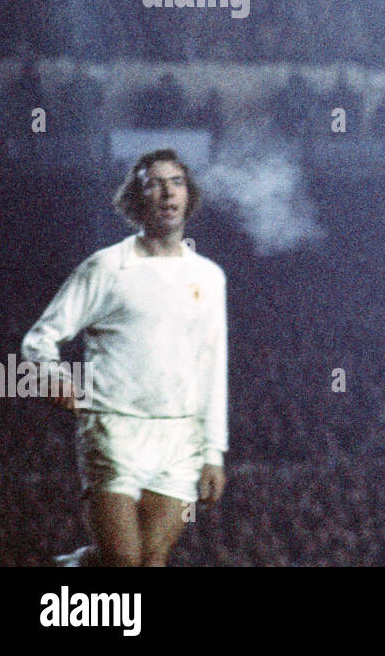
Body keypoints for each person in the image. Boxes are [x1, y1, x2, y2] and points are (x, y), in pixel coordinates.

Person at [23, 149, 228, 567]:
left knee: (150, 563)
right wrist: (53, 374)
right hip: (113, 428)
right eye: (153, 183)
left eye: (176, 182)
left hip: (180, 437)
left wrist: (213, 452)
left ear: (189, 196)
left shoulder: (208, 276)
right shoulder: (106, 267)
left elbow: (213, 366)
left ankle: (71, 566)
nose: (166, 192)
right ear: (137, 200)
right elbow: (40, 337)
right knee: (123, 562)